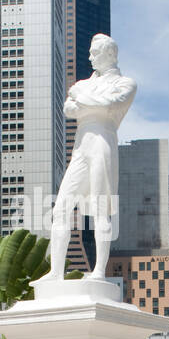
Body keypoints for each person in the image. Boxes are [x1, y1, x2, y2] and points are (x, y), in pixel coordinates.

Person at [48, 35, 137, 281]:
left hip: (102, 142)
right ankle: (55, 272)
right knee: (61, 207)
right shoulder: (85, 83)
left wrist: (80, 95)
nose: (89, 58)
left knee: (100, 211)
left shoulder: (126, 83)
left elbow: (111, 103)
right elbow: (69, 110)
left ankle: (99, 270)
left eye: (94, 53)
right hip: (81, 146)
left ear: (109, 54)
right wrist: (88, 102)